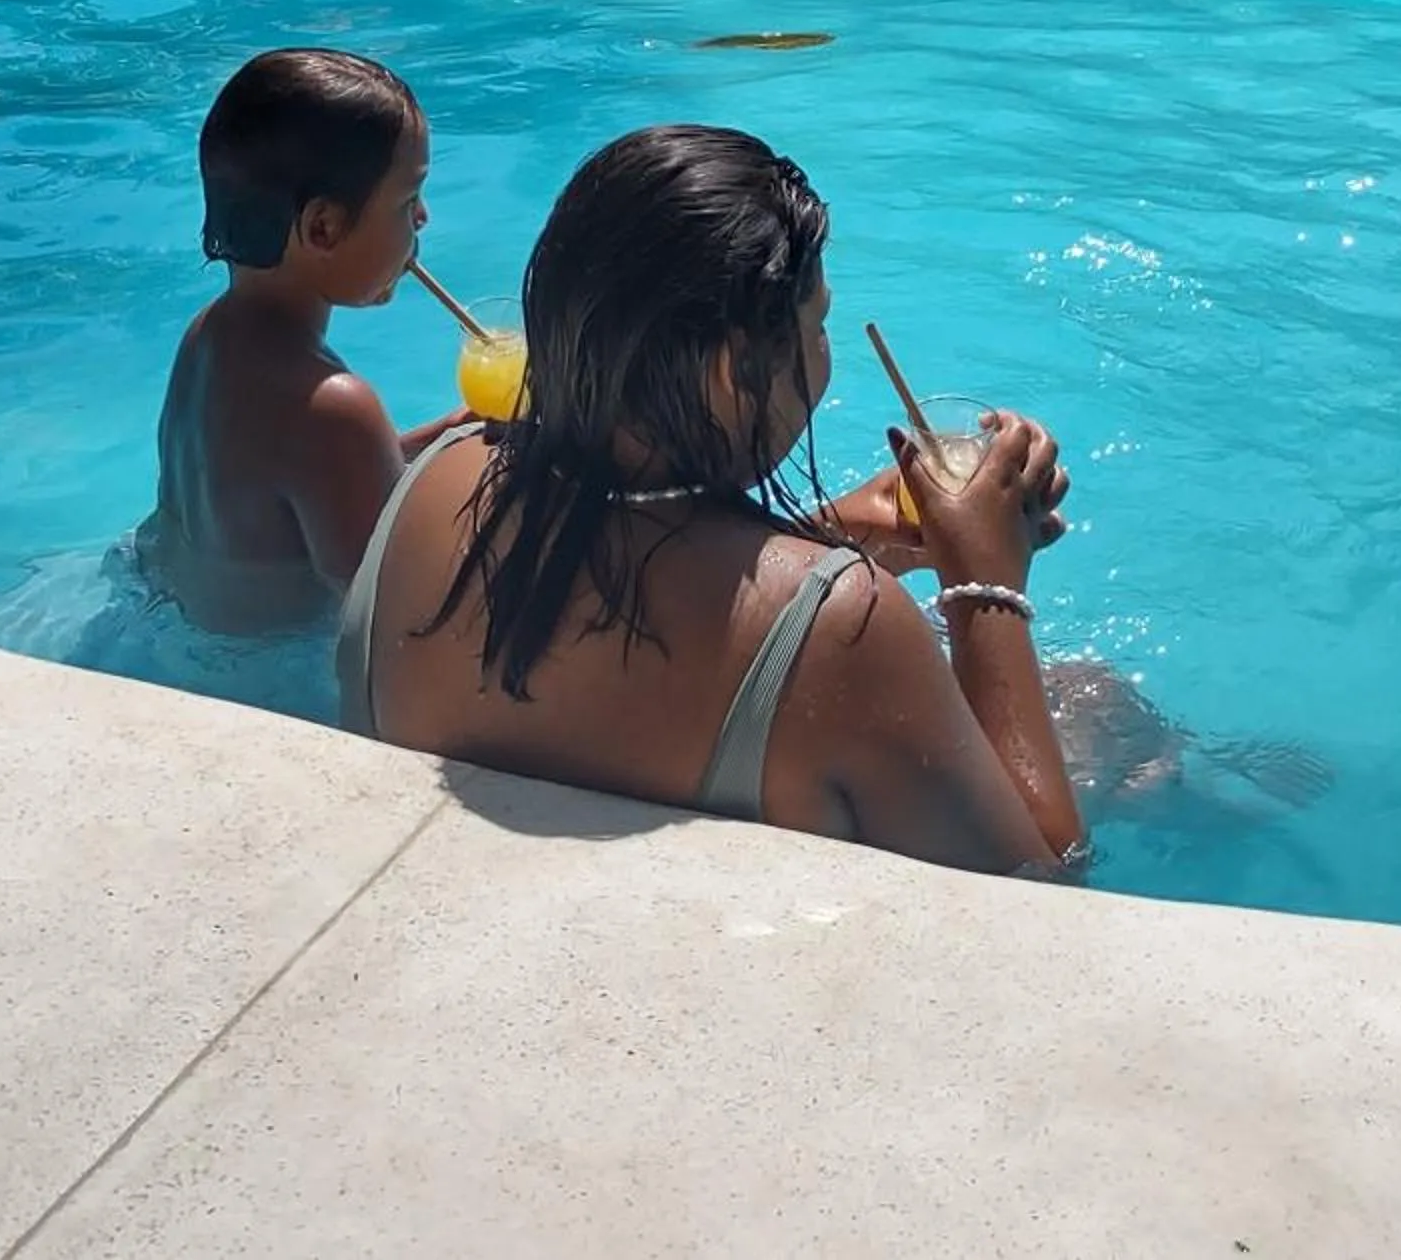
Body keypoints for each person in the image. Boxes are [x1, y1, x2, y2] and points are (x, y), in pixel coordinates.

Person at [337, 124, 1088, 875]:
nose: (824, 353)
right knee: (1103, 715)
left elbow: (625, 591)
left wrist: (830, 535)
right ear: (734, 371)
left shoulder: (431, 479)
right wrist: (983, 583)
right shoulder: (850, 631)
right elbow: (1040, 884)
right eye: (816, 325)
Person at [135, 48, 455, 635]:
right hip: (266, 682)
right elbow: (395, 614)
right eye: (409, 200)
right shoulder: (335, 407)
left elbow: (320, 478)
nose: (424, 219)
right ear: (323, 227)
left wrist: (457, 433)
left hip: (173, 626)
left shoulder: (208, 335)